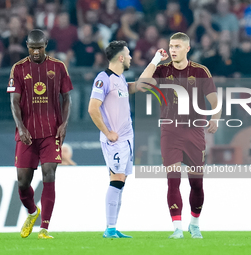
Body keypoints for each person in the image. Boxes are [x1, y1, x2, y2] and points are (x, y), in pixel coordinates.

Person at [138, 32, 221, 239]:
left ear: (187, 48)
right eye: (171, 46)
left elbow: (214, 100)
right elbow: (141, 84)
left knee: (197, 183)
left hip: (194, 131)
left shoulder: (200, 71)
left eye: (177, 46)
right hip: (170, 130)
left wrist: (215, 118)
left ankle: (194, 224)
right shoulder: (162, 70)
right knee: (173, 180)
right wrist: (155, 59)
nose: (173, 50)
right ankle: (177, 228)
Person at [7, 29, 73, 239]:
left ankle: (44, 228)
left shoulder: (58, 67)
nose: (36, 52)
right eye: (32, 48)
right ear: (27, 46)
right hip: (26, 134)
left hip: (50, 133)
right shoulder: (18, 69)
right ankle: (33, 213)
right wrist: (21, 127)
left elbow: (67, 99)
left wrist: (63, 125)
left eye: (40, 47)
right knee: (22, 183)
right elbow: (14, 102)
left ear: (46, 45)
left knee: (50, 174)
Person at [88, 40, 141, 238]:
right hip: (115, 140)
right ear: (120, 57)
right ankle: (109, 229)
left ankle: (113, 228)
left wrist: (155, 62)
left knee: (121, 181)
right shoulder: (104, 78)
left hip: (126, 139)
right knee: (116, 179)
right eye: (128, 54)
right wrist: (107, 132)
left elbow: (133, 88)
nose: (130, 57)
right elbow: (93, 108)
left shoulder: (120, 79)